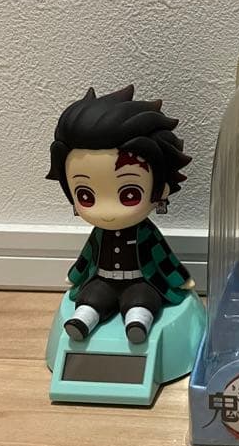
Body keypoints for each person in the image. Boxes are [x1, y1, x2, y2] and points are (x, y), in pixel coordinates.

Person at [47, 85, 195, 343]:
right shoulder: (99, 234)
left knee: (141, 300)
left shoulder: (145, 233)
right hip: (102, 280)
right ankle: (82, 320)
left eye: (129, 194)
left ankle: (137, 323)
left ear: (162, 188)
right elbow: (88, 255)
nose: (107, 211)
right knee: (91, 298)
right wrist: (76, 275)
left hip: (141, 282)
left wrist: (179, 279)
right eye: (86, 196)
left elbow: (162, 257)